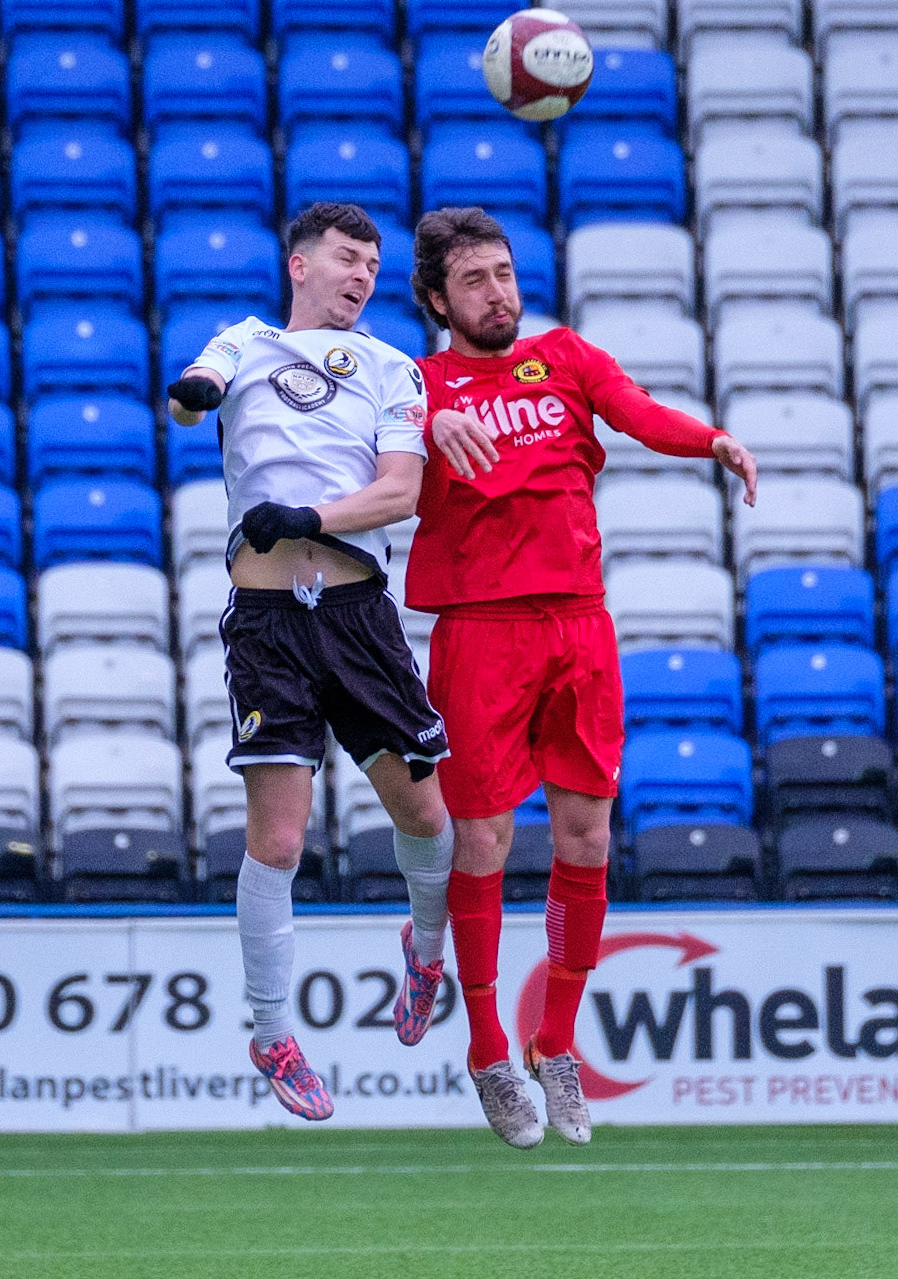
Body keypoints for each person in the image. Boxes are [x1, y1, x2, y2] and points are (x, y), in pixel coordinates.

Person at [406, 207, 757, 1150]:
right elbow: (377, 460)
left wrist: (710, 440)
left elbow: (640, 413)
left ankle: (554, 1040)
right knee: (481, 841)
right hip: (479, 634)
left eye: (505, 272)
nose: (498, 292)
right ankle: (488, 1049)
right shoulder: (418, 387)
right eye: (474, 279)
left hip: (577, 624)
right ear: (438, 298)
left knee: (587, 834)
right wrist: (427, 426)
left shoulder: (563, 356)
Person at [166, 201, 454, 1122]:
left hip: (358, 613)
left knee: (425, 814)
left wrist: (308, 518)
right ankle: (271, 1031)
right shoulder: (242, 342)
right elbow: (187, 393)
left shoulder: (392, 367)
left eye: (372, 264)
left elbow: (401, 491)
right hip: (266, 622)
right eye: (345, 259)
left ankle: (425, 947)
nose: (362, 276)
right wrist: (193, 397)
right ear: (301, 265)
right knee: (279, 840)